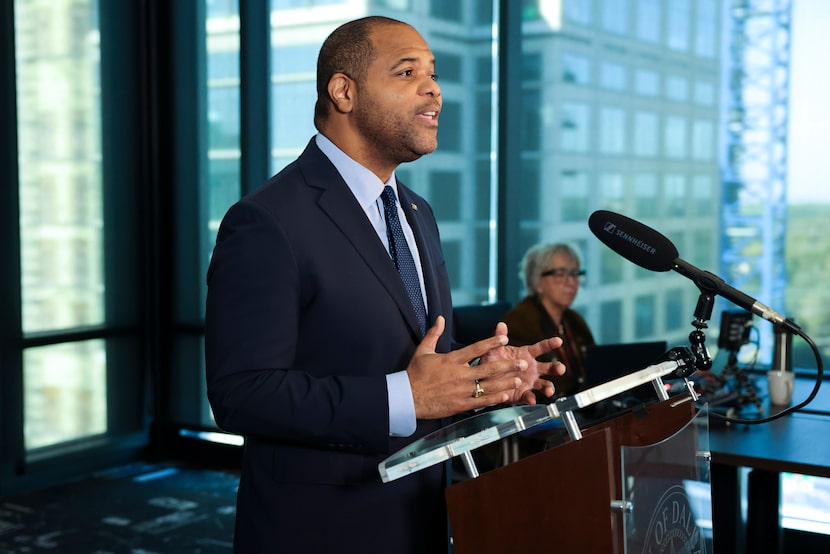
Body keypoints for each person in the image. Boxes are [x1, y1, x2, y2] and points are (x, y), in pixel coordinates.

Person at [204, 16, 565, 554]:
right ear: (344, 91)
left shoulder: (418, 213)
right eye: (407, 71)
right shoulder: (267, 220)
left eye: (433, 73)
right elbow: (242, 395)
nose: (433, 88)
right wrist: (405, 396)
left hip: (421, 517)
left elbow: (423, 365)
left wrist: (485, 381)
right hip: (321, 530)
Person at [502, 243, 595, 398]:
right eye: (560, 274)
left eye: (574, 273)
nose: (571, 282)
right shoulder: (519, 322)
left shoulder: (575, 320)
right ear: (537, 281)